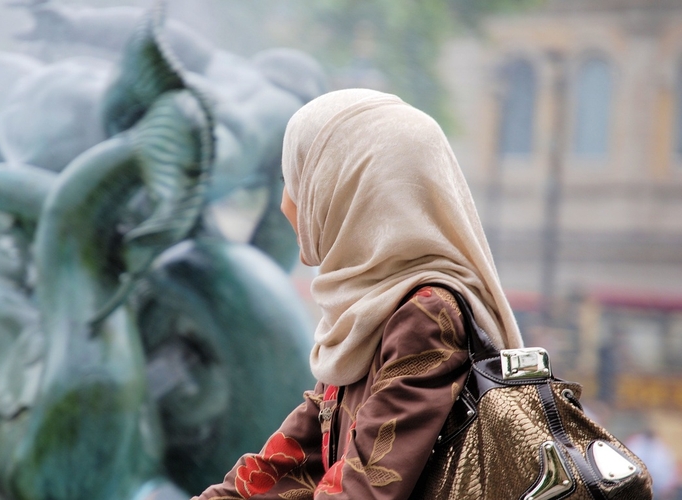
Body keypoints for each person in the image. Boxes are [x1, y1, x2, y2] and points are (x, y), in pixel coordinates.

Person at [193, 88, 524, 498]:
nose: (284, 203)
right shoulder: (368, 315)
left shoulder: (425, 316)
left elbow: (364, 488)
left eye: (296, 179)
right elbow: (283, 470)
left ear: (349, 184)